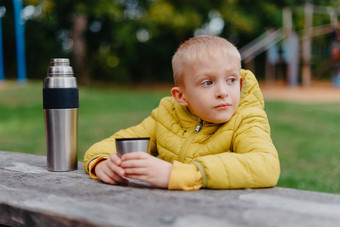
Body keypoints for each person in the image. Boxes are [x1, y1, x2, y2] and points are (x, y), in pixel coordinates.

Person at [83, 35, 280, 190]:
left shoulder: (246, 119)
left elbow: (266, 166)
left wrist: (179, 174)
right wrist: (102, 163)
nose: (223, 92)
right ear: (181, 96)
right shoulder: (167, 115)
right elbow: (114, 144)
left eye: (231, 80)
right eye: (208, 82)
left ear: (240, 82)